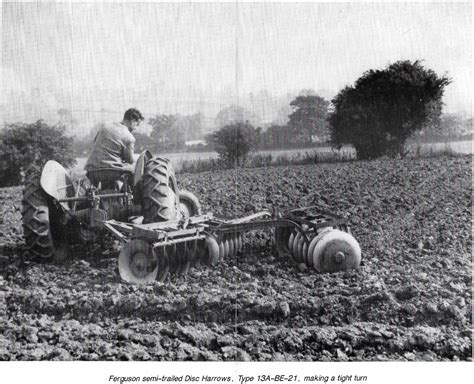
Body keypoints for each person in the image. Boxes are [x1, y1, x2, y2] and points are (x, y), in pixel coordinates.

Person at [85, 108, 144, 188]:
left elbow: (95, 143)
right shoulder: (129, 137)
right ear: (132, 121)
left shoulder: (105, 127)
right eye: (137, 125)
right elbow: (129, 160)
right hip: (113, 172)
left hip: (92, 171)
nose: (136, 128)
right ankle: (133, 197)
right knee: (136, 170)